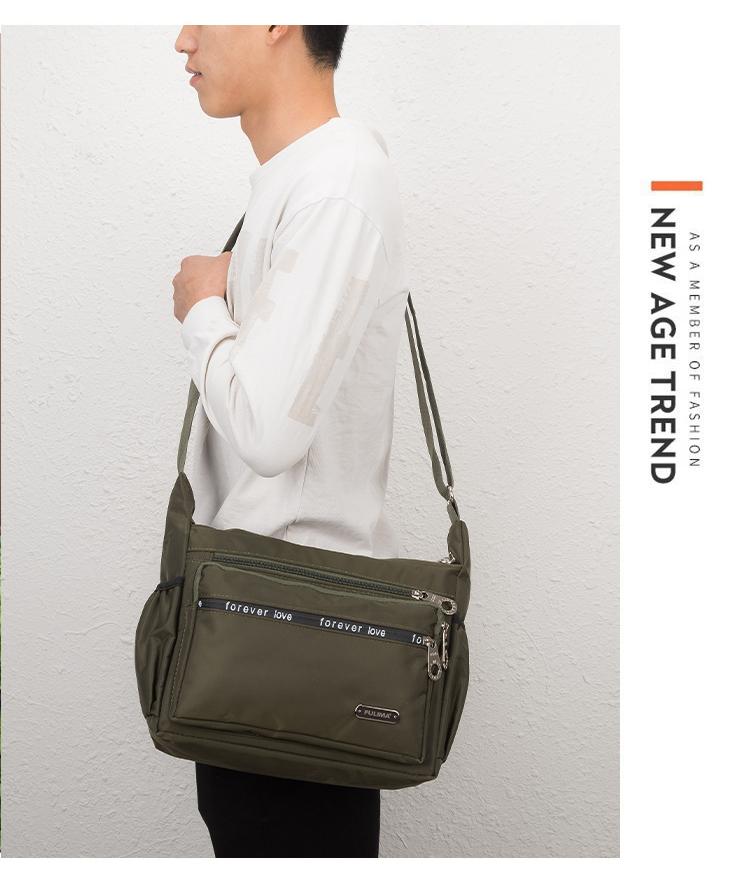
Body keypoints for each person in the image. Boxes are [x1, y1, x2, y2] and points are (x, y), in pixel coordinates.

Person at [171, 25, 409, 859]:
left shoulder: (337, 181)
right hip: (259, 625)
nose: (182, 38)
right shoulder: (302, 178)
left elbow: (269, 434)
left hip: (297, 637)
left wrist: (202, 307)